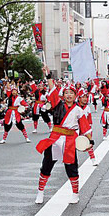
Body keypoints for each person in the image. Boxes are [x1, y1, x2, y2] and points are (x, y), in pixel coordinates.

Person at [35, 69, 93, 205]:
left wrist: (89, 140)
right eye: (66, 93)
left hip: (70, 141)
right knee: (46, 166)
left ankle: (75, 193)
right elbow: (52, 89)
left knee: (71, 167)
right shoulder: (56, 104)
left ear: (75, 95)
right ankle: (40, 192)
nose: (68, 95)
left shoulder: (78, 110)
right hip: (55, 139)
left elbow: (85, 127)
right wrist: (48, 75)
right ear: (63, 95)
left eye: (71, 93)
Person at [77, 88, 98, 166]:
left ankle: (93, 159)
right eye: (83, 97)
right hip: (76, 128)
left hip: (85, 128)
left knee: (89, 144)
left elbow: (89, 119)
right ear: (79, 98)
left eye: (86, 97)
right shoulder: (75, 107)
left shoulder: (87, 107)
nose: (85, 99)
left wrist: (89, 129)